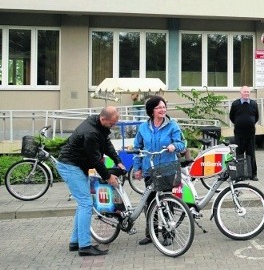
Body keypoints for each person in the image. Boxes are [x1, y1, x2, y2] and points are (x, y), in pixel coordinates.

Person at [57, 106, 126, 256]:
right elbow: (95, 159)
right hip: (70, 166)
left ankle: (75, 242)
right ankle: (85, 246)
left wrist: (118, 161)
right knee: (86, 203)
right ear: (103, 119)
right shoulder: (91, 132)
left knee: (82, 203)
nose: (113, 126)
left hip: (77, 165)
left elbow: (106, 144)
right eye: (111, 124)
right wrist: (108, 177)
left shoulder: (98, 124)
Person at [132, 96, 186, 245]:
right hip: (149, 169)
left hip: (167, 169)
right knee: (150, 203)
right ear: (151, 111)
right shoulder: (143, 127)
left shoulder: (172, 125)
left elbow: (182, 143)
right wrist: (137, 168)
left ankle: (169, 233)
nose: (163, 110)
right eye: (159, 108)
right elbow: (138, 148)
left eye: (164, 107)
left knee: (166, 202)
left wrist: (175, 146)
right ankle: (151, 234)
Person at [229, 86, 259, 181]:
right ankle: (240, 175)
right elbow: (231, 117)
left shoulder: (254, 104)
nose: (246, 93)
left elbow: (256, 117)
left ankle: (253, 174)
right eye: (245, 92)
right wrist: (239, 123)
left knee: (251, 155)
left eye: (248, 92)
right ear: (241, 93)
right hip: (239, 134)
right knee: (239, 155)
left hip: (250, 134)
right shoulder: (235, 104)